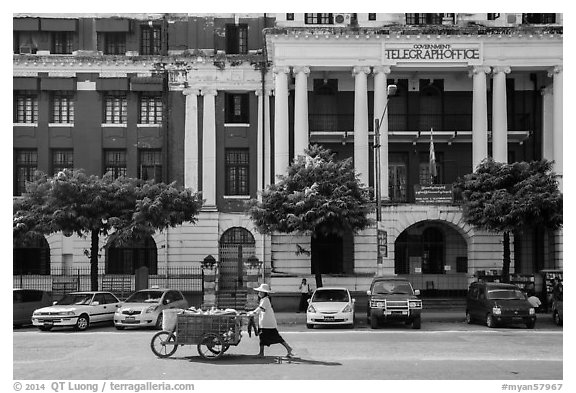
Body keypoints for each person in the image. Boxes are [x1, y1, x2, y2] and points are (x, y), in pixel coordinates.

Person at [249, 283, 294, 358]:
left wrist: (253, 313)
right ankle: (262, 353)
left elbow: (260, 308)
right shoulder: (263, 300)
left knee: (275, 337)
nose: (259, 293)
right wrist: (253, 312)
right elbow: (260, 309)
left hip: (267, 324)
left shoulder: (265, 300)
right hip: (265, 323)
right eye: (259, 292)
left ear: (265, 293)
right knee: (264, 338)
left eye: (261, 292)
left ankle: (288, 348)